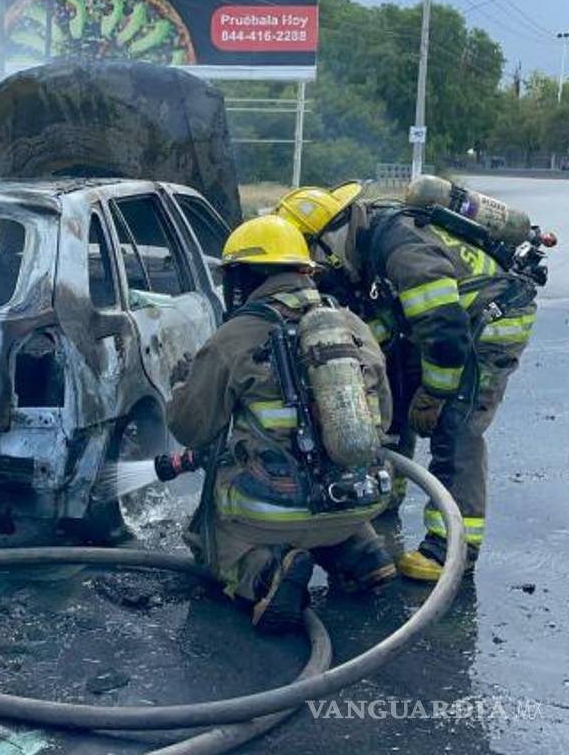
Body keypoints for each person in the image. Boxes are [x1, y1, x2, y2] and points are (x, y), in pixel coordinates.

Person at [275, 183, 539, 582]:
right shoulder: (367, 246)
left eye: (312, 261)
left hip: (489, 326)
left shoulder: (399, 245)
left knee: (457, 428)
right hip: (449, 325)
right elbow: (388, 321)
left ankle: (451, 548)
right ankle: (388, 495)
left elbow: (445, 330)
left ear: (324, 242)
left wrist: (434, 393)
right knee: (394, 386)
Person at [166, 215, 397, 633]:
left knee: (210, 534)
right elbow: (385, 416)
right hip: (358, 499)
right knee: (332, 495)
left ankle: (266, 576)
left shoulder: (235, 336)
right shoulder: (352, 325)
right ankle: (363, 553)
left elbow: (191, 429)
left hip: (274, 512)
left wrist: (182, 384)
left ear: (245, 276)